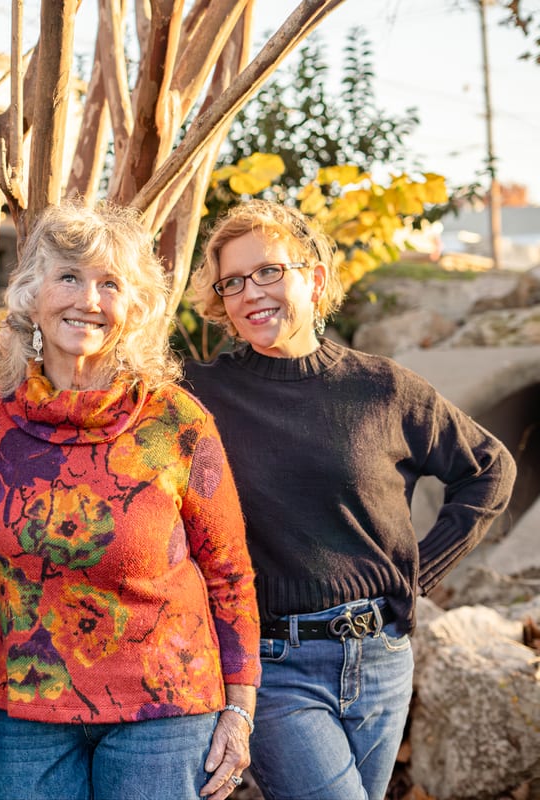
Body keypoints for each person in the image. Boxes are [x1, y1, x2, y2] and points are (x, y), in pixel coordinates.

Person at [183, 200, 517, 800]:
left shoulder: (382, 387)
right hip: (274, 664)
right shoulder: (204, 393)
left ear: (312, 277)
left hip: (383, 656)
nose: (249, 292)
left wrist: (418, 571)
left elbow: (490, 469)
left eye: (269, 271)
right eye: (232, 282)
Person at [0, 200, 262, 800]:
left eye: (110, 284)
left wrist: (241, 709)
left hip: (165, 709)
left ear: (135, 308)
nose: (88, 301)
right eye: (69, 277)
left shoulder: (176, 420)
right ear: (32, 296)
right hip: (29, 708)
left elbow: (229, 571)